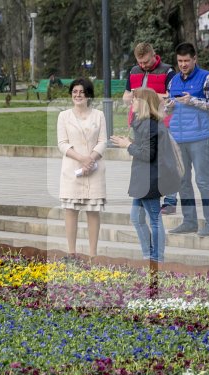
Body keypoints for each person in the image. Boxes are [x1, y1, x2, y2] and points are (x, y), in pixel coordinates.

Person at [166, 42, 209, 237]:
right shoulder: (173, 82)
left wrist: (193, 101)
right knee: (182, 181)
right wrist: (168, 105)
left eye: (186, 60)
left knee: (203, 180)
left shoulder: (207, 78)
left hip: (199, 138)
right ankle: (189, 221)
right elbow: (169, 108)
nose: (183, 64)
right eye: (180, 61)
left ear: (194, 59)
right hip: (178, 138)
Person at [111, 87, 166, 263]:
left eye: (134, 100)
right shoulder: (143, 123)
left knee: (155, 220)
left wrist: (127, 145)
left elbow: (148, 154)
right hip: (142, 178)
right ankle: (148, 255)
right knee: (136, 217)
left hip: (150, 180)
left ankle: (157, 258)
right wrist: (128, 143)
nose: (131, 103)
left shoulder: (150, 124)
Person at [122, 43, 177, 215]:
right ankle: (147, 194)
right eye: (140, 62)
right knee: (145, 159)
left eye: (146, 62)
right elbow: (126, 97)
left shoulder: (167, 71)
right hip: (139, 121)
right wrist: (132, 97)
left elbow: (171, 96)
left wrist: (147, 94)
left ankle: (170, 200)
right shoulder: (133, 71)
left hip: (162, 121)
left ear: (154, 55)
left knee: (167, 162)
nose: (143, 66)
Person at [57, 78, 107, 259]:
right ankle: (72, 253)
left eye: (81, 92)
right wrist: (81, 159)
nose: (78, 95)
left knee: (93, 211)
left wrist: (91, 158)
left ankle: (93, 255)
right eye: (74, 92)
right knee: (71, 211)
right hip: (72, 169)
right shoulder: (64, 116)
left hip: (94, 170)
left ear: (88, 95)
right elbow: (62, 144)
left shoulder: (98, 115)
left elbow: (103, 141)